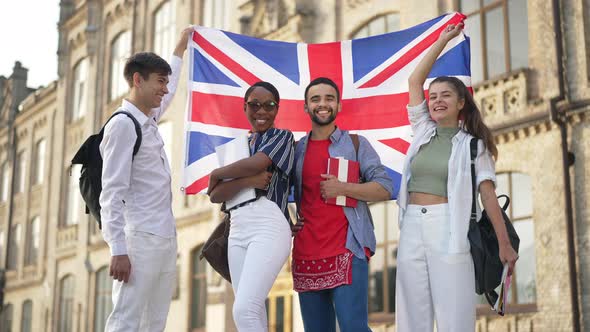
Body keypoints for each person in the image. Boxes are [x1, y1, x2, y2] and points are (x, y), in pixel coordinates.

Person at [395, 23, 519, 332]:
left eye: (445, 95)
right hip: (411, 224)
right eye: (433, 96)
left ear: (461, 102)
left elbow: (488, 197)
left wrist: (505, 245)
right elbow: (414, 80)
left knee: (455, 315)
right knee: (411, 315)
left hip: (449, 225)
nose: (436, 100)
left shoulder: (473, 145)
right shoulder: (423, 131)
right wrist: (441, 41)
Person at [99, 27, 192, 331]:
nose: (165, 89)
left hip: (164, 238)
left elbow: (175, 87)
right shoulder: (123, 126)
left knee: (154, 322)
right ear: (138, 80)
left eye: (165, 81)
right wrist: (118, 249)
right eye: (159, 82)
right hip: (139, 240)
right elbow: (111, 191)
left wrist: (179, 50)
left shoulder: (148, 119)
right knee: (126, 320)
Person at [290, 77, 393, 332]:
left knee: (353, 327)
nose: (322, 104)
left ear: (339, 105)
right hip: (306, 253)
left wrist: (344, 188)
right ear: (305, 107)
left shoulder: (356, 144)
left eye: (329, 98)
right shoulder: (296, 150)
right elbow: (275, 191)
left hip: (347, 249)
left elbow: (384, 188)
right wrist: (287, 222)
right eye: (315, 99)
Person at [207, 81, 294, 331]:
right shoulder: (236, 147)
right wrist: (248, 181)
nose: (262, 111)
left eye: (269, 105)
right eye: (254, 105)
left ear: (277, 109)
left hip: (268, 222)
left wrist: (219, 173)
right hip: (237, 227)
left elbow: (258, 163)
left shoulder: (282, 137)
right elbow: (216, 194)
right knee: (250, 310)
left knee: (244, 309)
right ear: (245, 107)